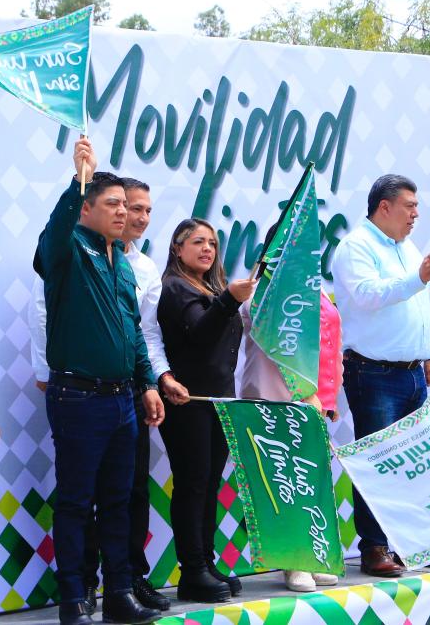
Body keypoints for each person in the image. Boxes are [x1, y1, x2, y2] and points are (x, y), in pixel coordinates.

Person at [28, 177, 184, 616]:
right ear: (86, 208)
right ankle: (74, 599)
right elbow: (53, 233)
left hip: (122, 400)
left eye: (125, 205)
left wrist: (148, 383)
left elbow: (134, 331)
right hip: (78, 397)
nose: (123, 211)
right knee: (77, 501)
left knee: (119, 501)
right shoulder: (68, 250)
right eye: (113, 203)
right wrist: (77, 180)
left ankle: (119, 594)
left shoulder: (124, 264)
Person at [330, 174, 430, 577]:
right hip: (373, 372)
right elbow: (368, 295)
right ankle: (374, 547)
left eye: (417, 206)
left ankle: (419, 545)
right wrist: (417, 277)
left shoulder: (408, 247)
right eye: (410, 206)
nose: (416, 214)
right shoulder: (355, 247)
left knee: (418, 461)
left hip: (413, 372)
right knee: (378, 461)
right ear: (384, 207)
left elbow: (418, 307)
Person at [156, 218, 255, 603]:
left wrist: (227, 297)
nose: (207, 249)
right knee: (193, 483)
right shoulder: (175, 287)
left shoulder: (210, 287)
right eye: (198, 242)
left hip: (218, 401)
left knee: (210, 483)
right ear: (177, 248)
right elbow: (199, 335)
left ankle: (206, 563)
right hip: (188, 402)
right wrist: (229, 300)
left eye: (212, 243)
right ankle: (192, 570)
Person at [238, 225, 340, 592]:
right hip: (270, 398)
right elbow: (267, 327)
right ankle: (292, 562)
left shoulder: (318, 289)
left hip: (311, 402)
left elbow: (328, 344)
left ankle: (313, 555)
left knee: (310, 481)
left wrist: (328, 396)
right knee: (282, 484)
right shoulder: (259, 291)